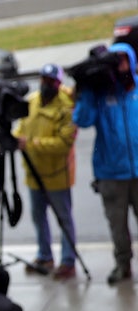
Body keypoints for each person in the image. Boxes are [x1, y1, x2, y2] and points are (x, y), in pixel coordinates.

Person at [73, 42, 138, 285]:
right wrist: (88, 90)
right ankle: (123, 265)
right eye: (115, 60)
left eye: (124, 59)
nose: (120, 65)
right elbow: (83, 120)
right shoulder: (100, 93)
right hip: (111, 172)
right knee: (117, 226)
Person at [12, 63, 78, 280]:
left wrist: (30, 143)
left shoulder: (67, 107)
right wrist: (13, 139)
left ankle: (68, 261)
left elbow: (62, 144)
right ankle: (44, 255)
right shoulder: (31, 102)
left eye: (51, 81)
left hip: (57, 175)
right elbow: (21, 128)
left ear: (58, 83)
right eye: (43, 80)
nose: (45, 84)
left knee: (63, 218)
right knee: (38, 217)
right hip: (34, 174)